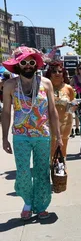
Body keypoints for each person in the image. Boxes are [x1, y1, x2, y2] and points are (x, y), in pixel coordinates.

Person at [1, 47, 63, 220]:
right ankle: (28, 202)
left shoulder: (46, 83)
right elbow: (5, 112)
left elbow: (52, 111)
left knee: (42, 172)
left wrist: (58, 136)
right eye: (24, 62)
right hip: (20, 136)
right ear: (17, 65)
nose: (28, 66)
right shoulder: (9, 86)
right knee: (23, 172)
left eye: (31, 62)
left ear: (36, 64)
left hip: (42, 135)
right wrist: (4, 138)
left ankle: (41, 205)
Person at [45, 62, 76, 158]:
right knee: (51, 146)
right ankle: (50, 167)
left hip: (65, 122)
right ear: (50, 73)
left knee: (63, 146)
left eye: (60, 71)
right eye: (54, 71)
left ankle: (62, 167)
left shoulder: (68, 88)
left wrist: (73, 106)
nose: (57, 73)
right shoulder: (44, 88)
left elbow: (72, 104)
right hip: (48, 123)